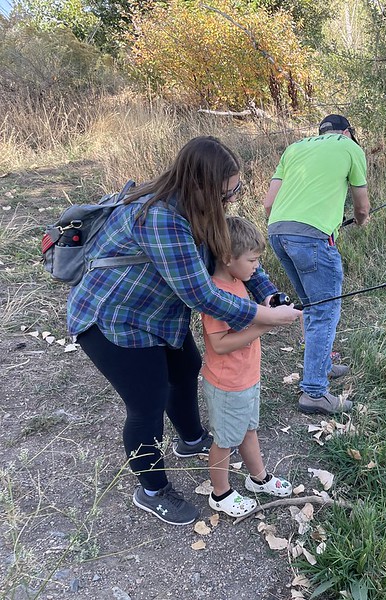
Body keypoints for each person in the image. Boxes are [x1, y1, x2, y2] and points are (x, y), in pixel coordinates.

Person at [67, 136, 301, 526]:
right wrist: (262, 318)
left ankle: (191, 439)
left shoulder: (204, 210)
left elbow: (240, 259)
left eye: (235, 191)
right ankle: (152, 490)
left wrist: (271, 297)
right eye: (226, 193)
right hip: (112, 319)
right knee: (147, 401)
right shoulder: (160, 216)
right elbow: (202, 295)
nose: (231, 200)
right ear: (200, 185)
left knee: (185, 365)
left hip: (157, 316)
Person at [263, 114, 370, 416]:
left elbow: (269, 203)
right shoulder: (350, 147)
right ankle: (314, 392)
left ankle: (322, 365)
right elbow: (361, 206)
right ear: (347, 131)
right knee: (325, 311)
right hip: (312, 239)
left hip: (278, 232)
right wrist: (362, 221)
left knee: (312, 305)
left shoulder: (295, 148)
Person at [202, 216, 293, 517]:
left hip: (247, 377)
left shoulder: (238, 281)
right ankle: (220, 493)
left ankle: (259, 478)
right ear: (228, 258)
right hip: (227, 384)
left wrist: (271, 311)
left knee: (248, 430)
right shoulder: (216, 294)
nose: (257, 267)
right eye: (253, 260)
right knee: (225, 441)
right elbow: (220, 344)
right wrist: (266, 325)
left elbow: (251, 316)